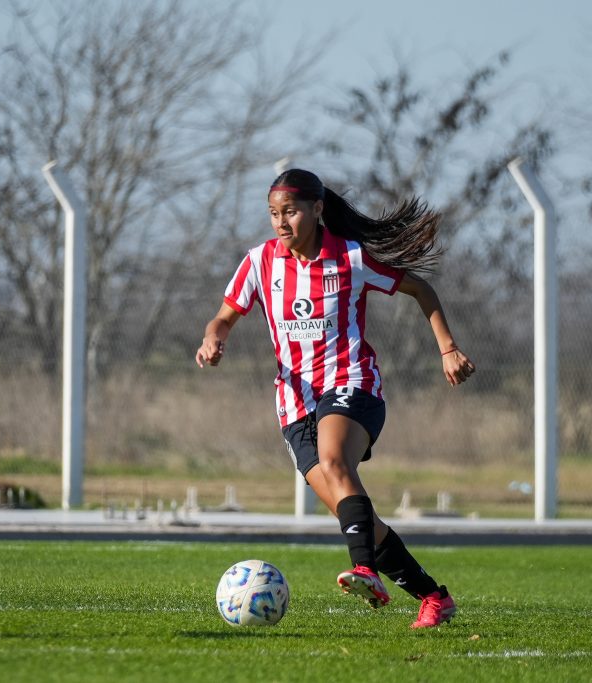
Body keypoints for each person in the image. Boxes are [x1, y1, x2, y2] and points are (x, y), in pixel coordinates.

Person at [195, 168, 476, 629]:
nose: (281, 222)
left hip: (352, 384)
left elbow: (420, 289)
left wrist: (448, 348)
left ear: (317, 209)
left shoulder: (350, 257)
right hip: (294, 404)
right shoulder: (259, 262)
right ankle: (433, 597)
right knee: (358, 517)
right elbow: (223, 317)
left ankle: (364, 570)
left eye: (290, 212)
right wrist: (214, 338)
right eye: (273, 214)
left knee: (334, 461)